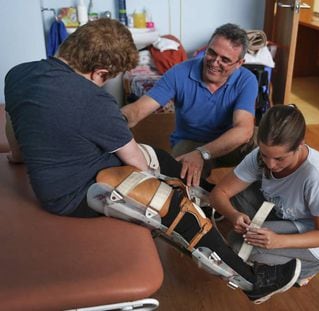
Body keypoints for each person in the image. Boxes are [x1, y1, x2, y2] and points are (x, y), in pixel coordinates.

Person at [4, 19, 300, 303]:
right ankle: (251, 282)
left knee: (159, 157)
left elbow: (13, 124)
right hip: (74, 195)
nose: (216, 62)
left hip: (80, 167)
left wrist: (18, 157)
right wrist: (168, 192)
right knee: (178, 211)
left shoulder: (18, 74)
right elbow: (138, 166)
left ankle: (211, 201)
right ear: (100, 72)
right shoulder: (95, 103)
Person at [210, 104, 319, 285]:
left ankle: (313, 265)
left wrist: (279, 241)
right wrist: (234, 215)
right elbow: (219, 193)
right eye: (264, 155)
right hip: (293, 215)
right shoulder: (258, 157)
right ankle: (282, 253)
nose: (270, 165)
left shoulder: (316, 176)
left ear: (300, 144)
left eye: (279, 158)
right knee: (236, 208)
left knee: (239, 245)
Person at [121, 23, 258, 187]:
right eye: (212, 53)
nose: (215, 62)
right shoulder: (179, 73)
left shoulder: (247, 80)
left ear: (239, 63)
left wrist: (203, 154)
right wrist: (108, 121)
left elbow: (243, 130)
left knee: (265, 148)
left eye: (225, 60)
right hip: (190, 142)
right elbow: (137, 111)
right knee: (175, 180)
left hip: (227, 143)